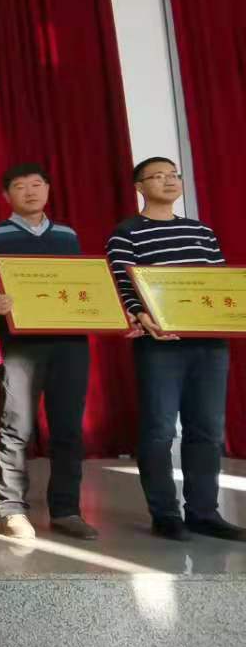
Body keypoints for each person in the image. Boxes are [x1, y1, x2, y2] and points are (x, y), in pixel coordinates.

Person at [107, 157, 245, 541]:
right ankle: (165, 515)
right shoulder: (127, 233)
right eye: (158, 176)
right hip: (161, 345)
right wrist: (139, 314)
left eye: (173, 175)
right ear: (139, 187)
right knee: (160, 429)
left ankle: (203, 512)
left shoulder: (201, 231)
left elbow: (219, 283)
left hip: (210, 344)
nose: (168, 181)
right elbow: (121, 283)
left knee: (208, 429)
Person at [0, 163, 97, 541]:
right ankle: (12, 508)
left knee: (68, 428)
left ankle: (67, 510)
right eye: (20, 186)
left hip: (70, 343)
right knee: (17, 426)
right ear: (6, 195)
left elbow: (82, 287)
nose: (30, 192)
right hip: (22, 344)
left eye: (37, 184)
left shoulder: (67, 236)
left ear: (48, 189)